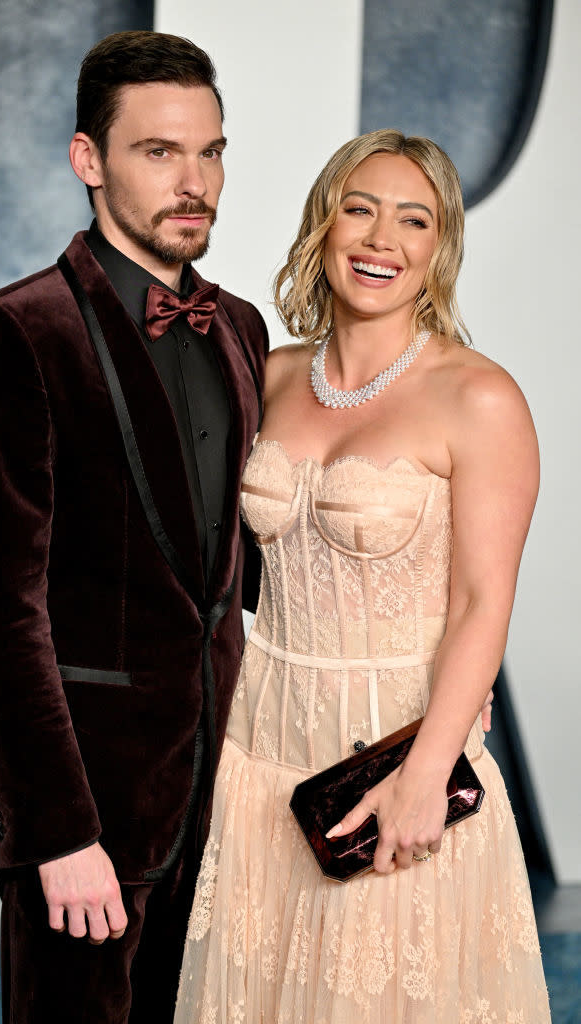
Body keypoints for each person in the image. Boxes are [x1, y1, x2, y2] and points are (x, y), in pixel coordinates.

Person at [0, 30, 268, 1024]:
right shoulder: (11, 334)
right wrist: (56, 832)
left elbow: (242, 577)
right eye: (157, 152)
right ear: (89, 161)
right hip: (83, 823)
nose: (193, 178)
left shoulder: (241, 329)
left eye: (208, 151)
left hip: (216, 807)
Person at [175, 129, 551, 1023]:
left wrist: (430, 769)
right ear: (324, 225)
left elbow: (480, 603)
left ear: (438, 249)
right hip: (258, 741)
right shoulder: (262, 377)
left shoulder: (479, 397)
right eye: (360, 209)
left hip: (396, 749)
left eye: (411, 220)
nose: (381, 239)